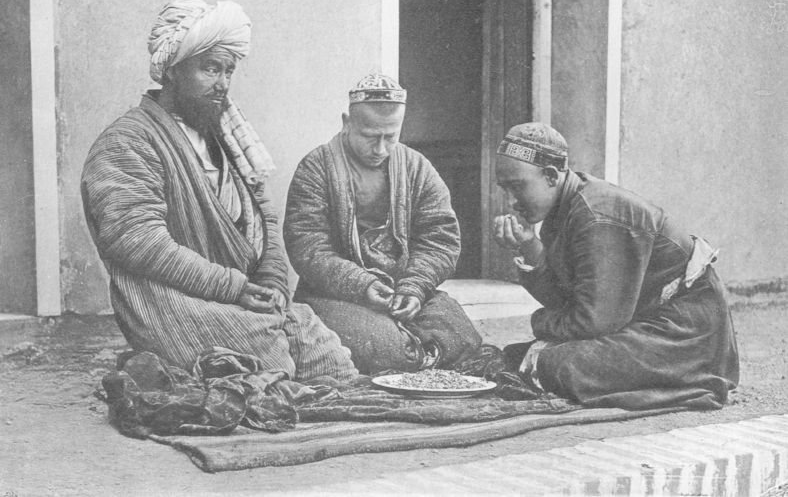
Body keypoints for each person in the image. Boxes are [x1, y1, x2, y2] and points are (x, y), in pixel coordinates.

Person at [81, 0, 357, 382]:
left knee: (331, 361)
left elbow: (263, 217)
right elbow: (137, 239)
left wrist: (273, 281)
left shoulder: (227, 138)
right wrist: (232, 287)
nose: (223, 84)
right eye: (210, 68)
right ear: (172, 70)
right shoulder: (126, 142)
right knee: (273, 364)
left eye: (228, 70)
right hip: (172, 303)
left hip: (238, 295)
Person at [493, 122, 739, 409]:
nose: (510, 201)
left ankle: (695, 379)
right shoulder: (562, 210)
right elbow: (569, 301)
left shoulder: (597, 216)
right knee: (520, 357)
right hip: (641, 321)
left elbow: (594, 322)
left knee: (559, 365)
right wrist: (530, 248)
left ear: (550, 176)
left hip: (685, 332)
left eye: (517, 186)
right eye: (504, 188)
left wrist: (540, 323)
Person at [283, 74, 483, 375]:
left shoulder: (417, 168)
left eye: (391, 137)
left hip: (402, 290)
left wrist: (415, 287)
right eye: (370, 136)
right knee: (390, 350)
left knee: (463, 334)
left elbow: (440, 238)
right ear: (346, 122)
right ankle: (417, 354)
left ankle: (418, 350)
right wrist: (362, 285)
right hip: (335, 294)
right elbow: (308, 246)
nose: (380, 148)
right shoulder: (316, 168)